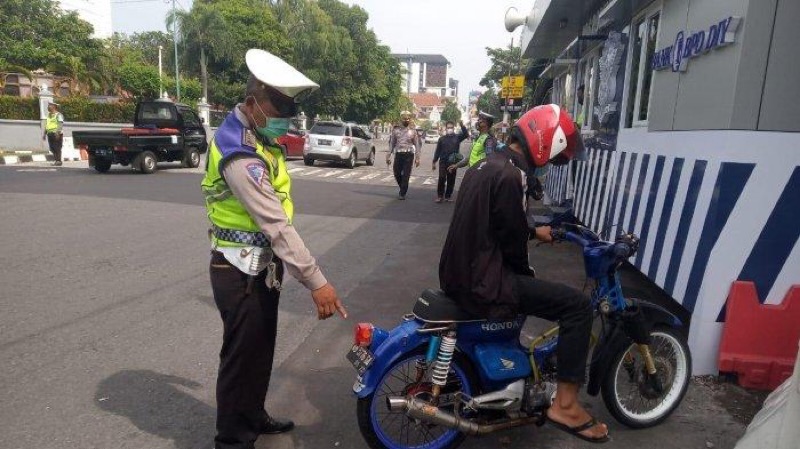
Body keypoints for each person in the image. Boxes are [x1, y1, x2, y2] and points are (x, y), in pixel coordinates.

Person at [200, 48, 348, 449]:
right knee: (240, 360)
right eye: (278, 105)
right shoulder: (239, 151)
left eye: (289, 106)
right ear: (253, 102)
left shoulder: (259, 138)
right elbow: (276, 226)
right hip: (237, 271)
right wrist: (317, 282)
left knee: (260, 351)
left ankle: (253, 415)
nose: (285, 115)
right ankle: (232, 440)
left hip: (260, 268)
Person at [439, 104, 607, 443]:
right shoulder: (512, 176)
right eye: (556, 153)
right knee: (576, 306)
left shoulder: (485, 165)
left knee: (533, 290)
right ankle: (567, 404)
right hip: (485, 281)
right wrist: (527, 271)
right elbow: (512, 242)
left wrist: (533, 230)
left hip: (459, 272)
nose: (551, 163)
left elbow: (497, 222)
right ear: (544, 142)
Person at [386, 111, 422, 200]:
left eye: (408, 118)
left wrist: (417, 158)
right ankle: (403, 186)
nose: (407, 120)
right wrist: (388, 155)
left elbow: (417, 145)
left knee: (406, 174)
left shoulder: (413, 131)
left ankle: (402, 193)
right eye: (405, 118)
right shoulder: (395, 130)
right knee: (396, 172)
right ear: (401, 119)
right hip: (398, 154)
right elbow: (392, 143)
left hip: (409, 155)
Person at [431, 120, 468, 202]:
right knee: (441, 178)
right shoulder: (442, 139)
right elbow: (437, 151)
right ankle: (440, 196)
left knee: (451, 180)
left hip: (453, 163)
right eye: (448, 127)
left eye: (451, 127)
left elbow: (466, 134)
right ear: (445, 128)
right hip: (443, 162)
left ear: (453, 128)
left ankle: (448, 196)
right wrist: (434, 161)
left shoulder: (457, 137)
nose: (449, 129)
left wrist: (462, 125)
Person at [43, 102, 64, 166]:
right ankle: (56, 160)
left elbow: (60, 124)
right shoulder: (49, 115)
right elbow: (47, 125)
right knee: (52, 148)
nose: (48, 107)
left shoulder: (59, 115)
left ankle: (58, 161)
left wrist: (58, 132)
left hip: (56, 133)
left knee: (57, 147)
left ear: (54, 107)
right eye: (49, 105)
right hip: (50, 133)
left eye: (50, 105)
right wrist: (44, 134)